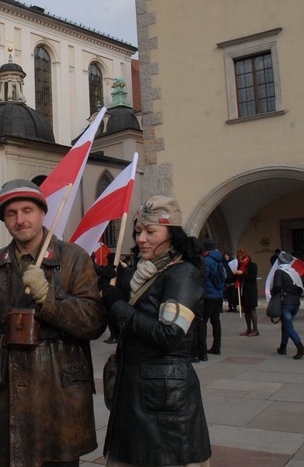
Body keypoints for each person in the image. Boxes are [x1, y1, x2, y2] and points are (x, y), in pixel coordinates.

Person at [0, 179, 105, 467]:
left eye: (27, 210)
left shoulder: (73, 258)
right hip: (0, 391)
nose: (20, 219)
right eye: (11, 213)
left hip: (55, 390)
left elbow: (94, 321)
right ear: (4, 220)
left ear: (43, 213)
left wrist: (48, 298)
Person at [102, 195, 211, 467]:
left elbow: (168, 335)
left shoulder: (182, 273)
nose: (141, 238)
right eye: (138, 231)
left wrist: (118, 305)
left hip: (164, 402)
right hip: (137, 392)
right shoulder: (142, 273)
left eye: (151, 231)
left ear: (172, 235)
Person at [271, 252, 304, 359]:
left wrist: (272, 293)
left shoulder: (280, 271)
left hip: (285, 301)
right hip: (295, 302)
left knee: (288, 326)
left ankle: (300, 346)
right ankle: (283, 347)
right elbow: (300, 287)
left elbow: (277, 286)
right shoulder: (293, 271)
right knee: (286, 324)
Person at [201, 239, 225, 357]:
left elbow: (203, 276)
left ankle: (202, 348)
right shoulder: (219, 259)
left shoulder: (207, 260)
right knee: (216, 321)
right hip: (218, 294)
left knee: (203, 321)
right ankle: (217, 346)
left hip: (208, 295)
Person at [235, 248, 259, 336]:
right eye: (239, 259)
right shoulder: (240, 266)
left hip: (251, 290)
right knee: (246, 309)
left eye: (242, 258)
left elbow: (252, 278)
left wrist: (242, 274)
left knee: (252, 309)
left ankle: (255, 329)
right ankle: (248, 328)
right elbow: (239, 277)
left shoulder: (252, 265)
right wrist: (237, 275)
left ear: (245, 257)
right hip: (243, 290)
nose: (240, 260)